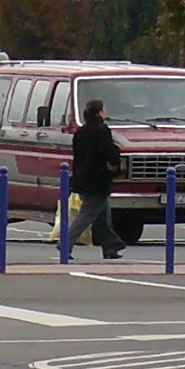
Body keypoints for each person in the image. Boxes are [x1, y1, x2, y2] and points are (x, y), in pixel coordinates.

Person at [68, 98, 126, 259]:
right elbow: (107, 153)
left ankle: (110, 247)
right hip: (98, 180)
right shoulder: (102, 130)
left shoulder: (81, 132)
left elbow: (78, 156)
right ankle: (66, 243)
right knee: (87, 215)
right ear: (100, 112)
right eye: (103, 110)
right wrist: (117, 162)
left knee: (102, 217)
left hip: (83, 178)